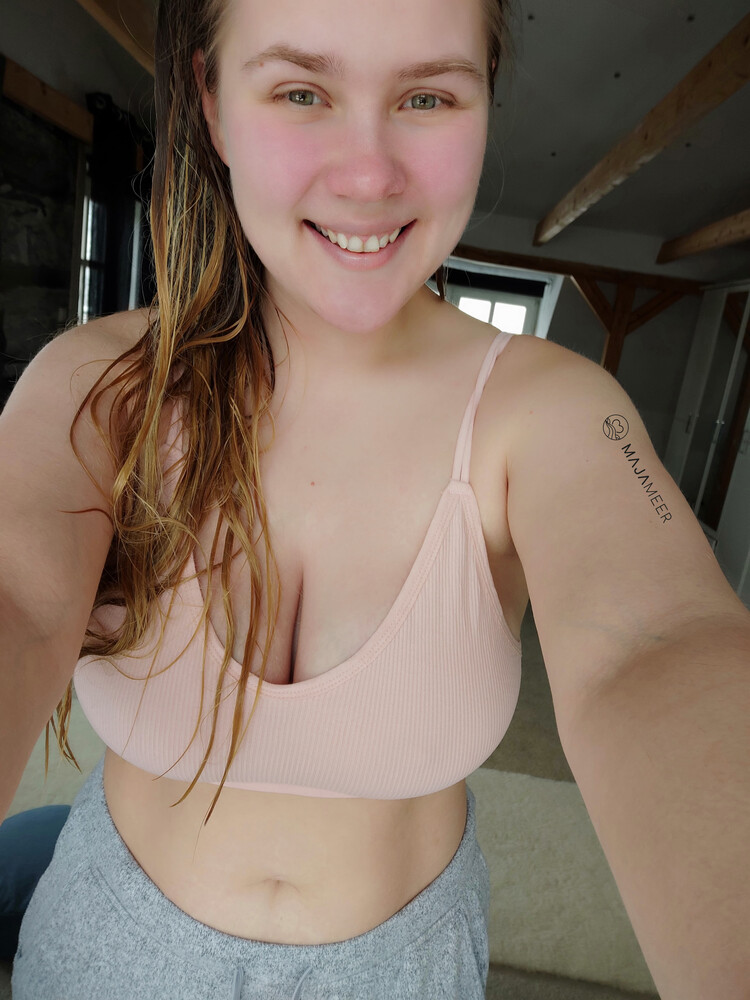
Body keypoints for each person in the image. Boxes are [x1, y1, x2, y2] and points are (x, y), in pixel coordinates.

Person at [2, 0, 749, 996]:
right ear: (212, 106)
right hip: (107, 946)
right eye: (301, 92)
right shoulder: (96, 386)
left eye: (427, 97)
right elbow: (17, 594)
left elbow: (657, 642)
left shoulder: (555, 410)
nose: (369, 175)